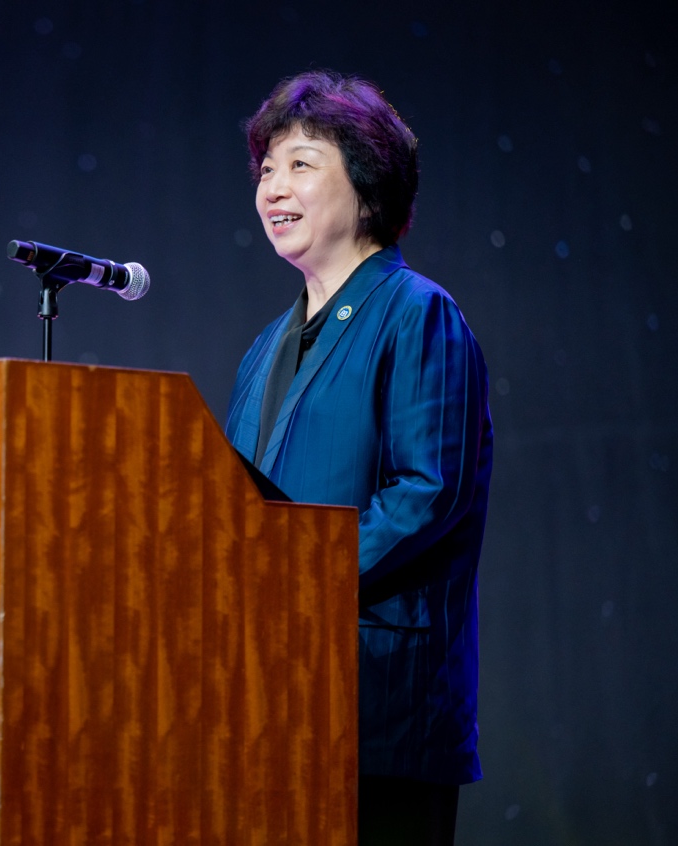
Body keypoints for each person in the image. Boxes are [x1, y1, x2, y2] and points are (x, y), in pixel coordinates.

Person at [224, 70, 493, 846]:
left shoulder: (418, 314)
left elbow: (426, 492)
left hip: (378, 706)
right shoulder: (262, 349)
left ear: (367, 186)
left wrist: (296, 579)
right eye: (266, 169)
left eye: (300, 163)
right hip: (269, 704)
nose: (273, 187)